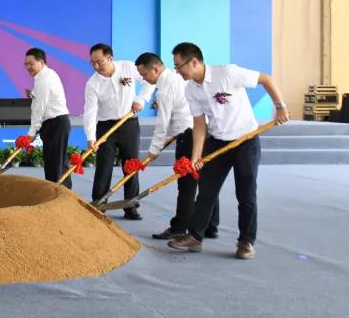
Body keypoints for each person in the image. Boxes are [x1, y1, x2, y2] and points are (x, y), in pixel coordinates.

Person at [167, 42, 290, 260]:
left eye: (179, 66)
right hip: (218, 142)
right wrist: (196, 155)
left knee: (246, 193)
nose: (177, 71)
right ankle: (194, 237)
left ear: (194, 62)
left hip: (246, 140)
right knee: (206, 191)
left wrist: (280, 107)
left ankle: (246, 242)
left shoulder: (228, 73)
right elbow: (199, 124)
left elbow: (266, 79)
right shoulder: (191, 89)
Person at [135, 52, 218, 241]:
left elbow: (162, 123)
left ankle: (179, 228)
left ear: (155, 69)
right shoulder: (177, 77)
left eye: (144, 75)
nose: (144, 79)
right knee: (206, 181)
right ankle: (211, 226)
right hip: (203, 132)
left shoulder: (164, 90)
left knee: (186, 185)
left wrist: (154, 150)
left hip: (188, 137)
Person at [83, 43, 153, 220]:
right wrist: (91, 137)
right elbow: (90, 112)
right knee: (103, 168)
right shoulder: (92, 83)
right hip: (105, 127)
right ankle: (99, 205)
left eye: (100, 62)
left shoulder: (128, 67)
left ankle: (131, 206)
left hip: (129, 124)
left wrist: (141, 99)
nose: (96, 66)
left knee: (131, 165)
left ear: (110, 58)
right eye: (92, 63)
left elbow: (150, 80)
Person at [24, 48, 72, 188]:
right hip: (53, 124)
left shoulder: (45, 79)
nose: (28, 67)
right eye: (26, 64)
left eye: (31, 64)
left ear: (42, 62)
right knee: (56, 163)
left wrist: (31, 133)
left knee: (55, 165)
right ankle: (63, 195)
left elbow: (39, 108)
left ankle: (59, 196)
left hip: (56, 123)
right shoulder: (42, 77)